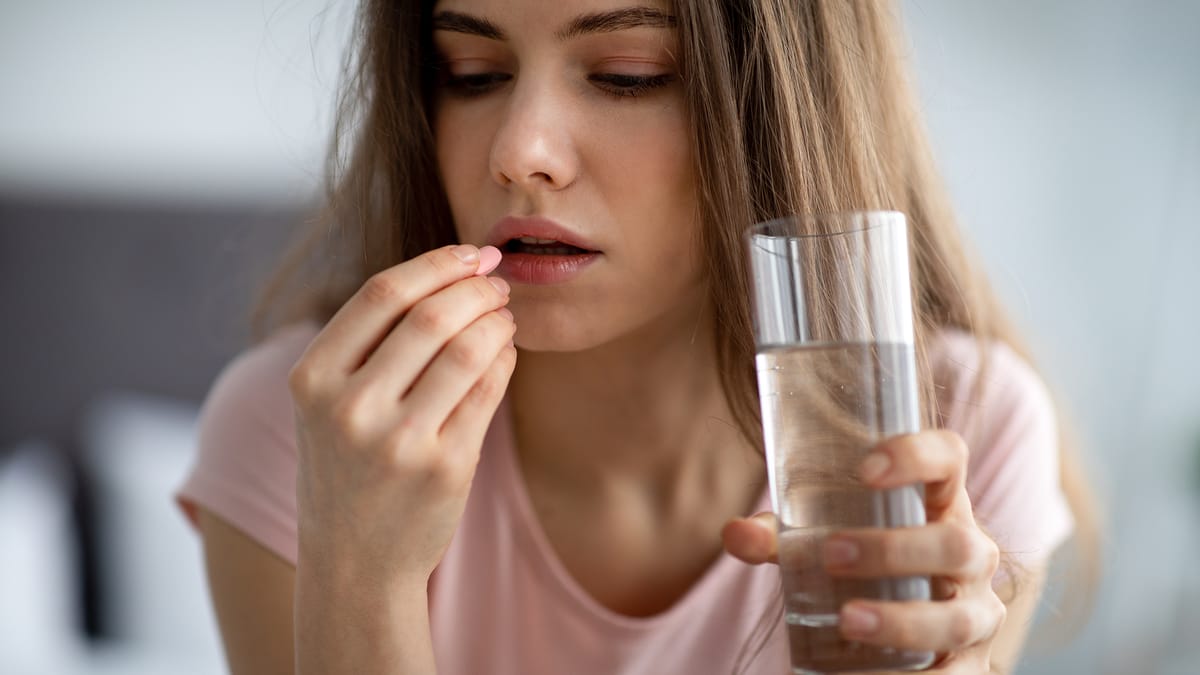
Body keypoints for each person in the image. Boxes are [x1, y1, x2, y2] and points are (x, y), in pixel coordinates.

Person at [176, 1, 1097, 673]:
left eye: (628, 74)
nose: (520, 149)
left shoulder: (957, 428)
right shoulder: (305, 430)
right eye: (472, 74)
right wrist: (361, 575)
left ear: (774, 110)